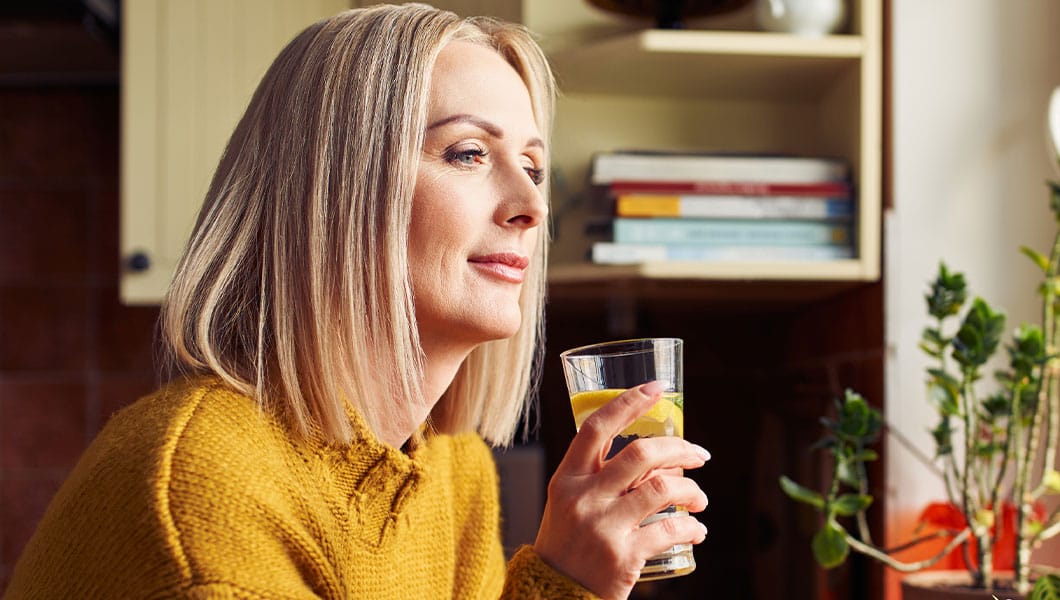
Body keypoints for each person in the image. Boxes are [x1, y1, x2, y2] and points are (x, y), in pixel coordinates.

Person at [4, 5, 709, 599]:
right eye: (468, 153)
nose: (532, 205)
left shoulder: (453, 471)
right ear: (333, 190)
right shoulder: (205, 496)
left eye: (532, 166)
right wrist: (563, 586)